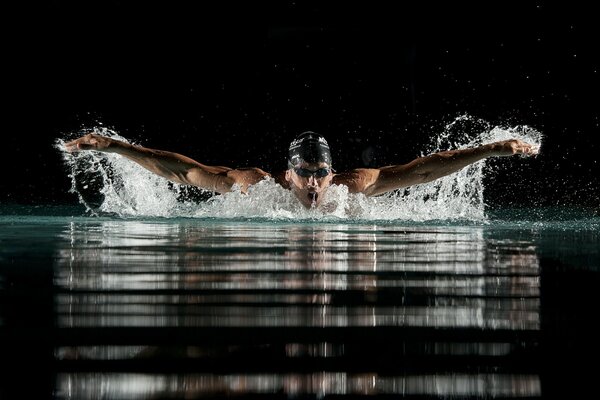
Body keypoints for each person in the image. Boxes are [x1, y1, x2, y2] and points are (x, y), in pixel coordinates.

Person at [65, 131, 538, 209]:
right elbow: (182, 172)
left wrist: (491, 150)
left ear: (333, 173)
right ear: (286, 174)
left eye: (321, 173)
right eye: (305, 173)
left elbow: (423, 171)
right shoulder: (257, 187)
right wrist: (115, 147)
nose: (313, 183)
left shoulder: (353, 188)